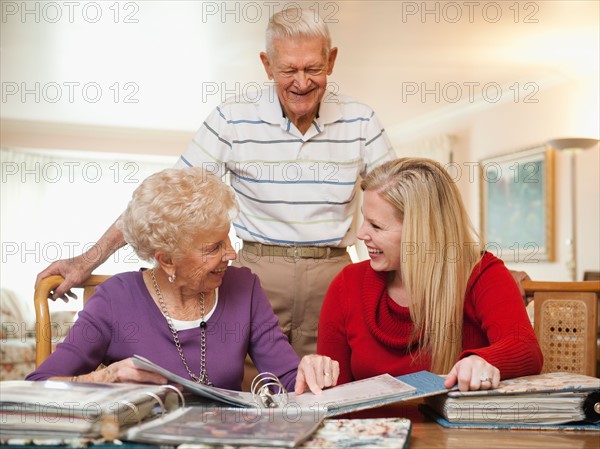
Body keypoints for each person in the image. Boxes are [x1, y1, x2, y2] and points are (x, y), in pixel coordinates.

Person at [36, 7, 396, 358]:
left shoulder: (361, 120)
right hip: (257, 276)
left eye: (313, 68)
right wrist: (86, 261)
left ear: (331, 61)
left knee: (327, 383)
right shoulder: (232, 119)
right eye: (289, 70)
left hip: (333, 275)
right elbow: (162, 204)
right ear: (267, 65)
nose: (302, 82)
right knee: (252, 391)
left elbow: (403, 200)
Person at [27, 167, 339, 395]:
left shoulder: (244, 287)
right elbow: (37, 387)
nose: (231, 253)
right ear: (166, 260)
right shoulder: (115, 300)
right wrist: (103, 378)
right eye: (214, 247)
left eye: (227, 240)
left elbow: (287, 377)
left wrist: (309, 370)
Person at [317, 158, 543, 392]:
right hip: (367, 429)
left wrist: (481, 360)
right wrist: (317, 372)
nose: (362, 233)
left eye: (376, 226)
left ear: (421, 232)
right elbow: (332, 395)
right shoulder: (347, 284)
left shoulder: (481, 274)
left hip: (453, 428)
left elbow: (525, 348)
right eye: (364, 220)